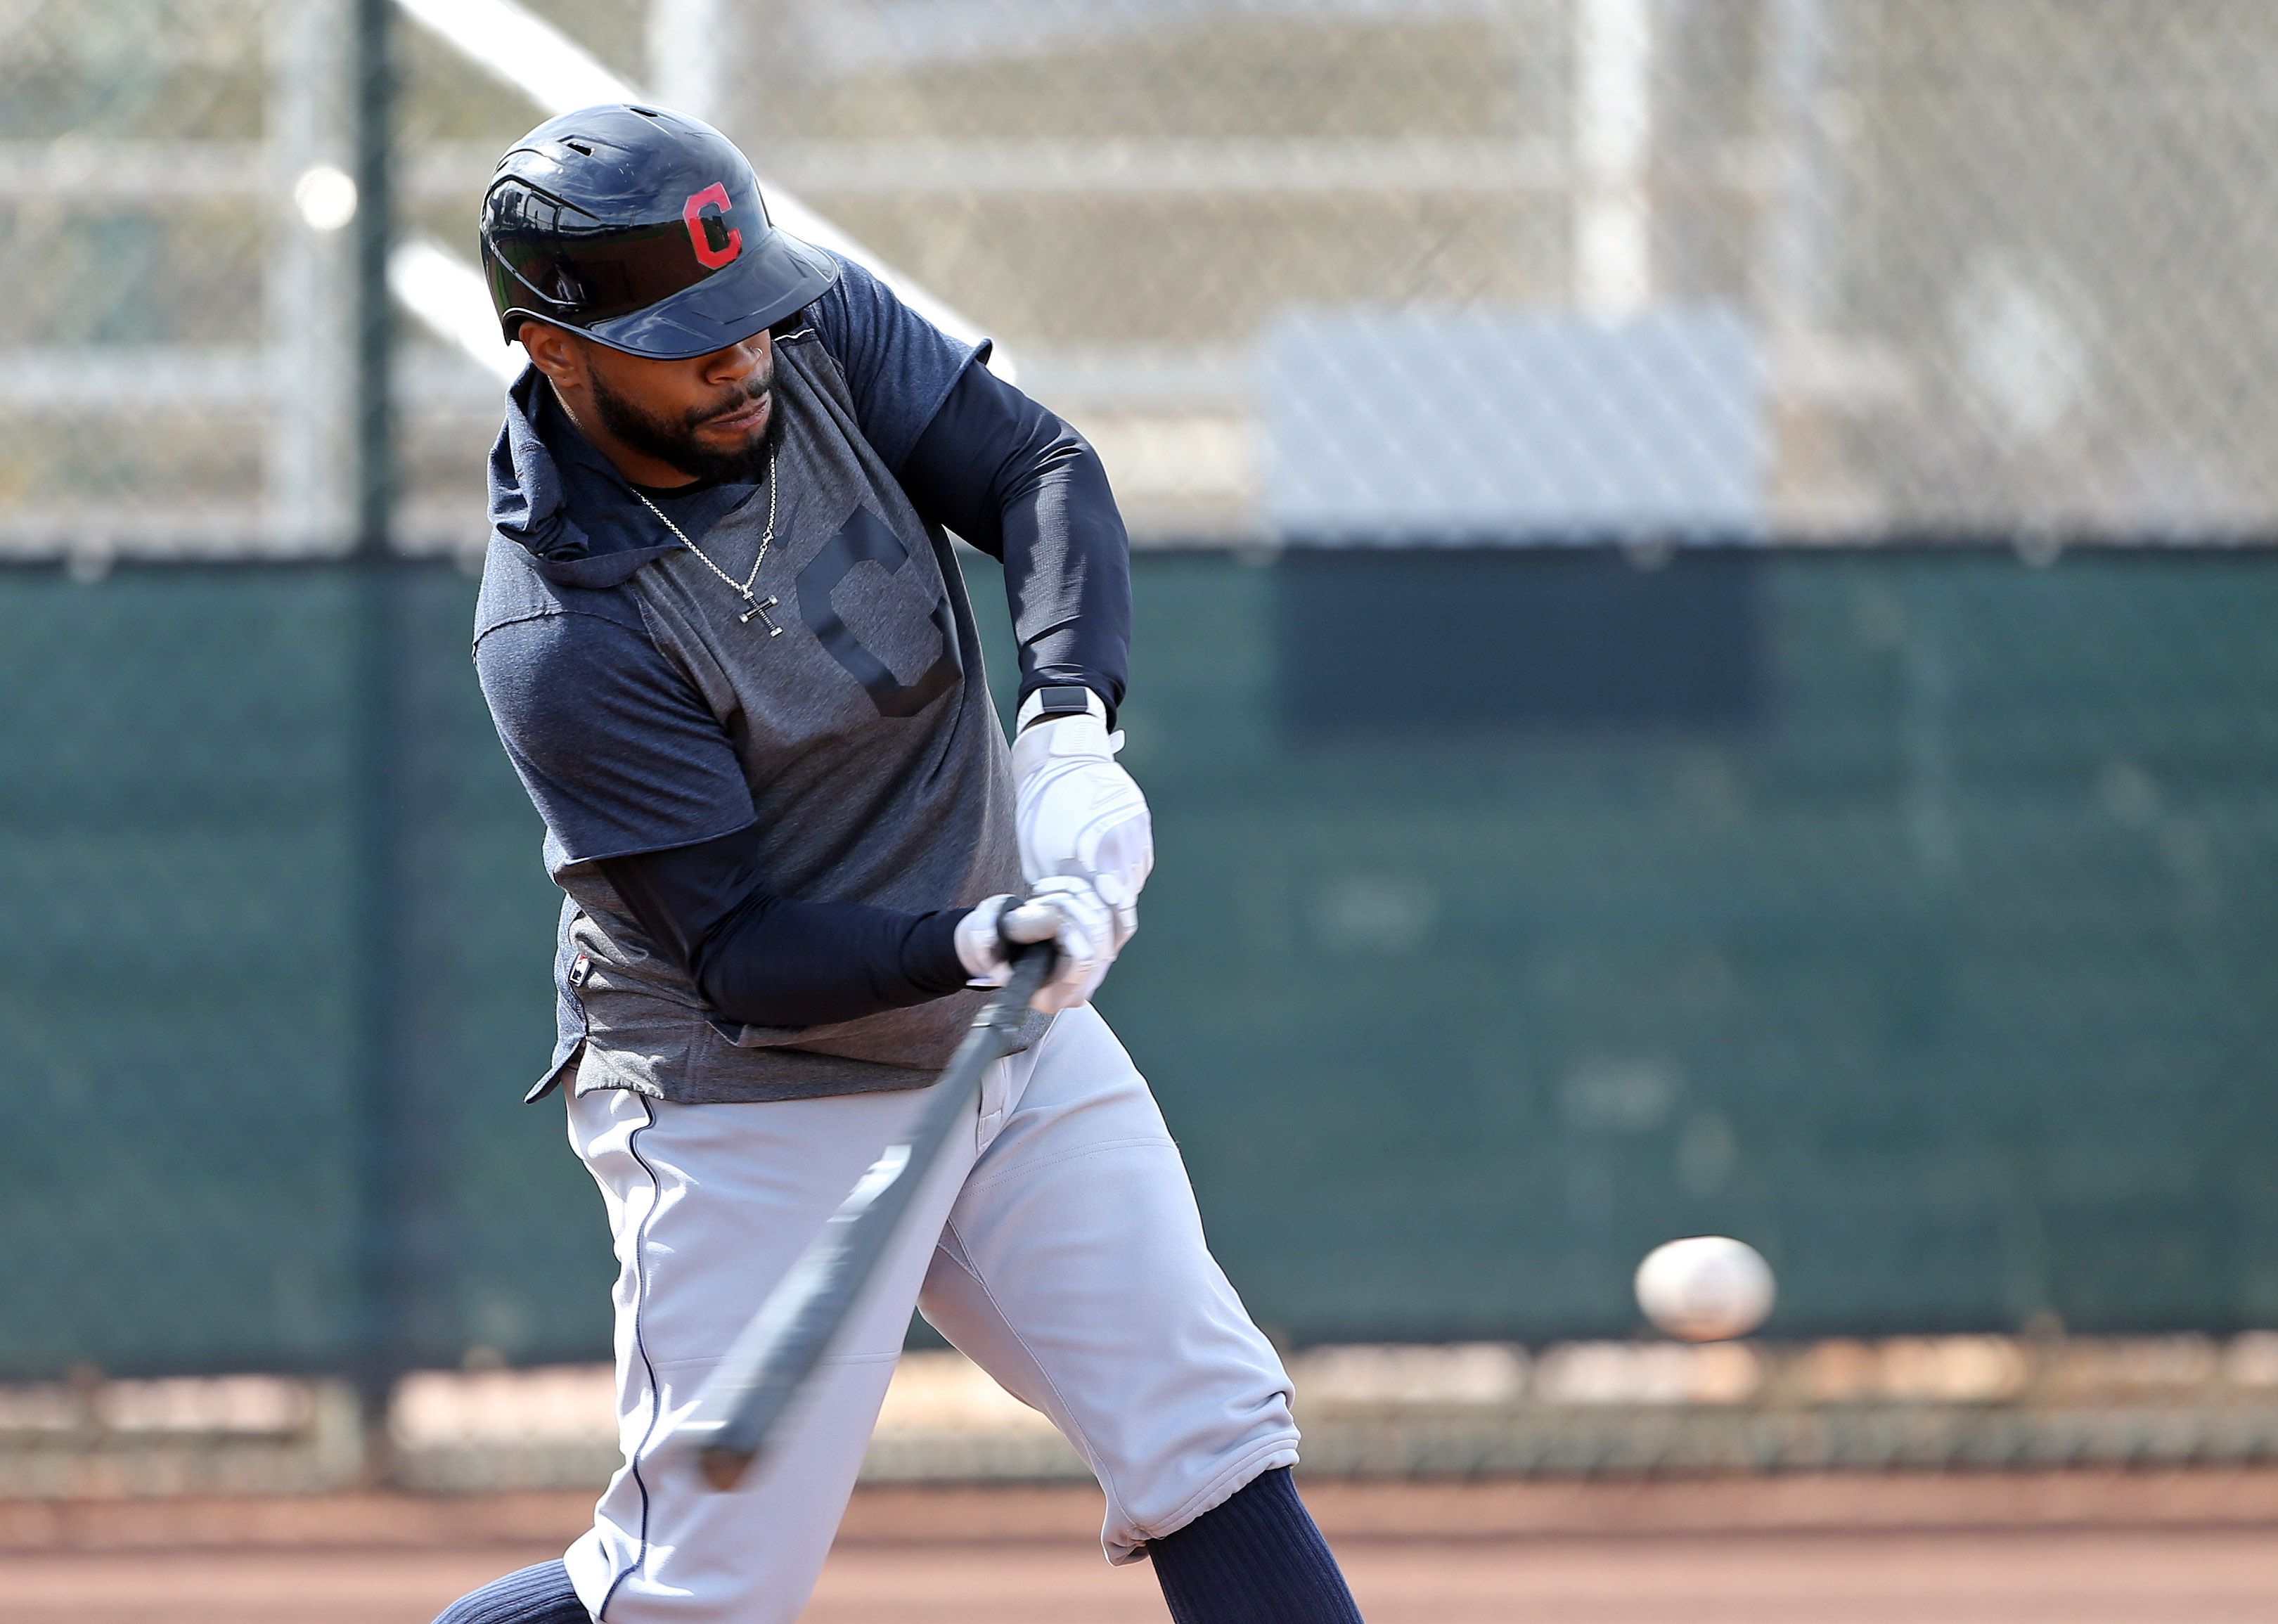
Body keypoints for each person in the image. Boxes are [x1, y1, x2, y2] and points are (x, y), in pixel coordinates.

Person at [432, 104, 1365, 1624]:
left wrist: (1068, 725)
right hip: (753, 1095)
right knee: (694, 1594)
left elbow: (1039, 470)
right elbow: (735, 951)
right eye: (688, 340)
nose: (743, 360)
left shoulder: (805, 330)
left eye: (747, 320)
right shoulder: (560, 630)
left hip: (1009, 1038)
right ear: (553, 348)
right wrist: (971, 941)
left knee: (1208, 1443)